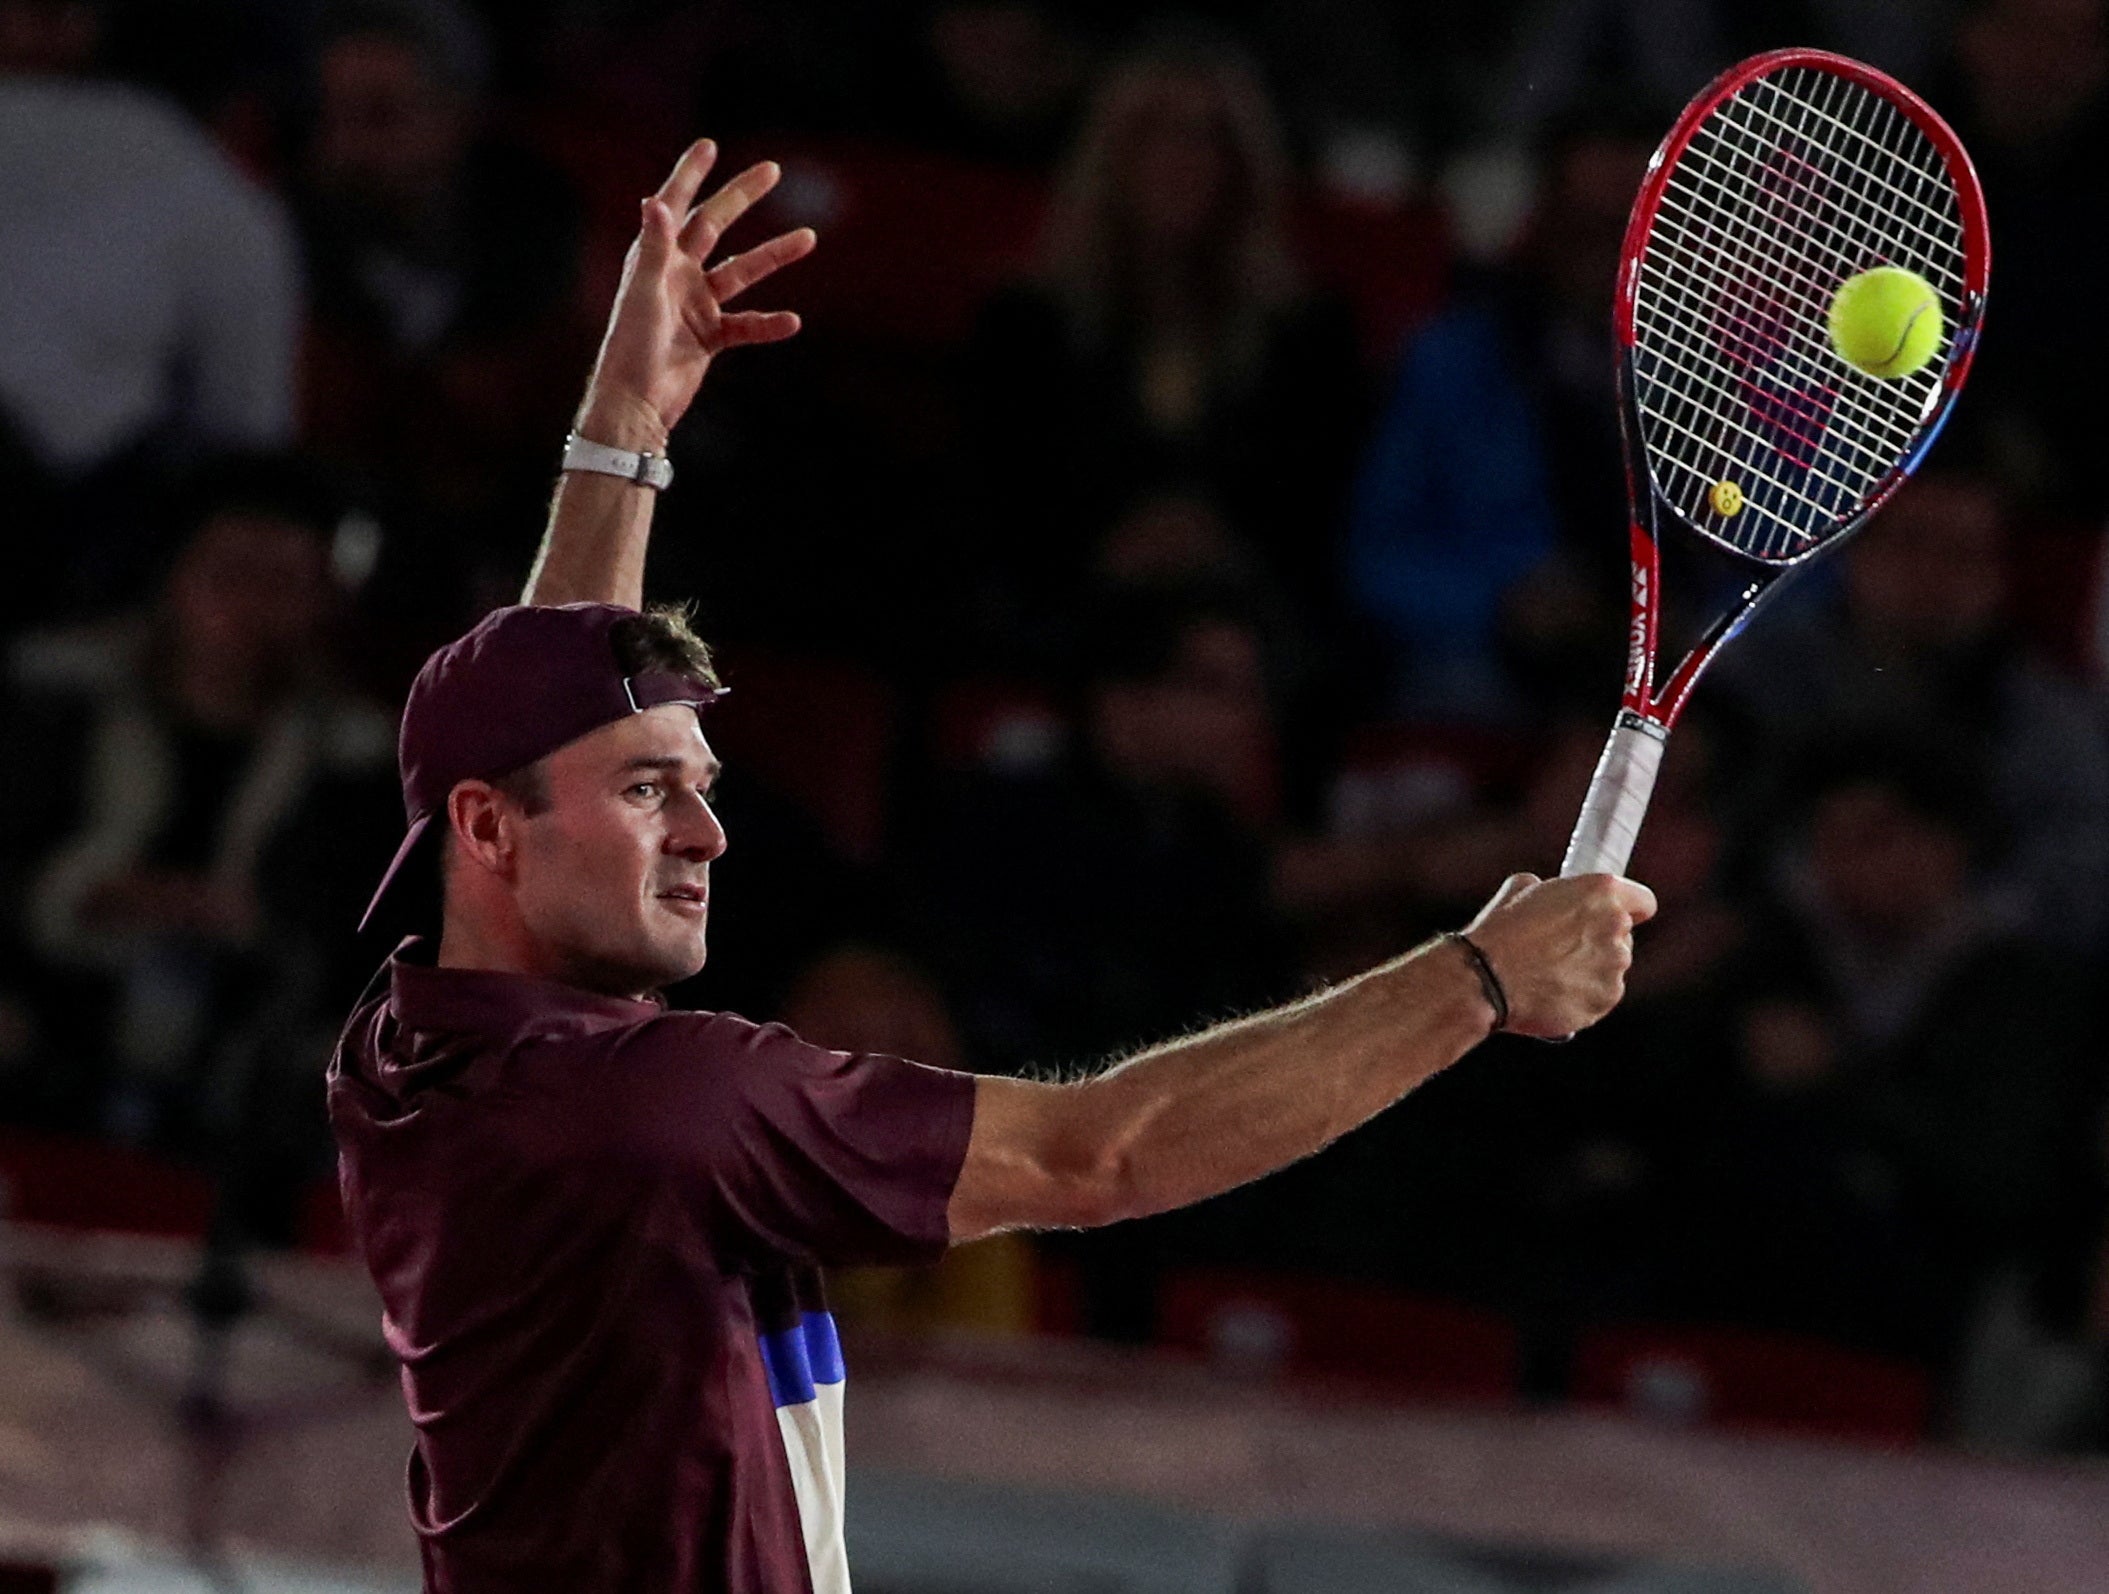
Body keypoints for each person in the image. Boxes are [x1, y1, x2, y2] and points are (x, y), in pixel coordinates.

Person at [327, 140, 1651, 1594]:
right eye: (654, 793)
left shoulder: (396, 1053)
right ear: (487, 832)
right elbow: (1102, 1151)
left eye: (699, 788)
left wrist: (624, 427)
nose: (709, 832)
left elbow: (548, 710)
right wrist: (1474, 979)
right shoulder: (665, 1108)